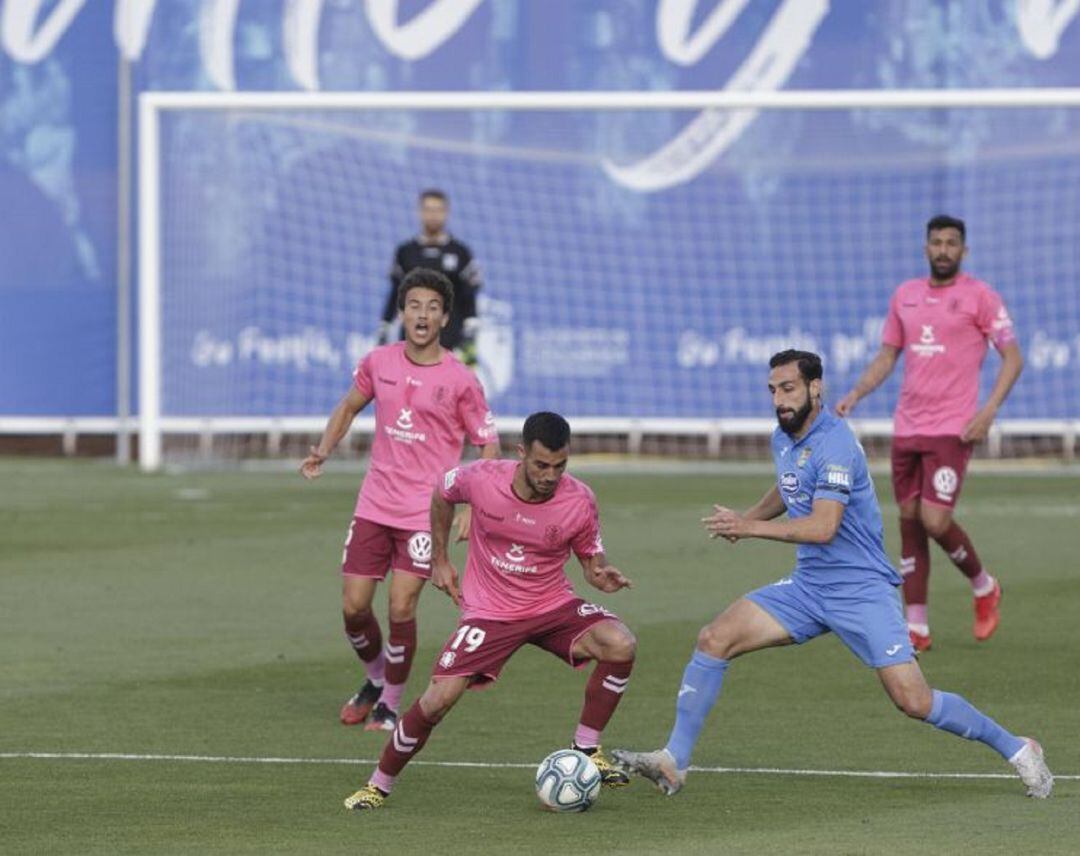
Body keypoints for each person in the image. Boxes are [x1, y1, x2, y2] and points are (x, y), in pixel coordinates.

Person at [613, 350, 1051, 800]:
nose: (779, 400)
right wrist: (748, 518)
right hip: (809, 587)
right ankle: (674, 760)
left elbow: (824, 528)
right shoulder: (782, 438)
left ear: (815, 388)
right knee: (714, 638)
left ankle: (1018, 747)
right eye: (773, 391)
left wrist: (750, 528)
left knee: (913, 701)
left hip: (861, 590)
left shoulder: (836, 443)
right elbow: (789, 486)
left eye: (788, 389)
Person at [343, 412, 637, 810]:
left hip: (551, 604)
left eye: (560, 465)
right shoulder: (481, 478)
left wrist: (600, 575)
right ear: (521, 454)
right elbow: (441, 493)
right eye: (541, 465)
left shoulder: (579, 499)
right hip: (490, 612)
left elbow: (591, 560)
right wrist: (440, 559)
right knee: (437, 700)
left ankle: (587, 750)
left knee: (620, 643)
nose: (551, 475)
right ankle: (377, 785)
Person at [301, 268, 500, 733]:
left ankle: (390, 704)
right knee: (353, 607)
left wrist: (471, 503)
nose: (423, 315)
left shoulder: (461, 379)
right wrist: (323, 450)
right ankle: (374, 679)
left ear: (445, 316)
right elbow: (349, 406)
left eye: (432, 307)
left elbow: (487, 444)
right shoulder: (379, 363)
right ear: (402, 312)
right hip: (374, 504)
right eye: (414, 306)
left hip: (423, 513)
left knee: (401, 608)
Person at [836, 215, 1024, 651]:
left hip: (952, 428)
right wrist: (856, 393)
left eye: (951, 243)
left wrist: (988, 411)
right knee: (908, 519)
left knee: (934, 519)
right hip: (908, 426)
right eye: (936, 243)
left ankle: (983, 585)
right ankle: (916, 626)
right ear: (926, 249)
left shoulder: (980, 297)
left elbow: (1012, 357)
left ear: (964, 250)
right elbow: (887, 356)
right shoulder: (906, 295)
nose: (943, 250)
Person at [378, 189, 483, 366]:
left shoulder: (460, 252)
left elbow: (469, 294)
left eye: (438, 210)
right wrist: (385, 324)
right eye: (428, 209)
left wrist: (471, 329)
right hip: (412, 342)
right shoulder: (406, 252)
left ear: (446, 213)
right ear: (420, 212)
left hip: (451, 341)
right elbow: (396, 292)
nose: (433, 215)